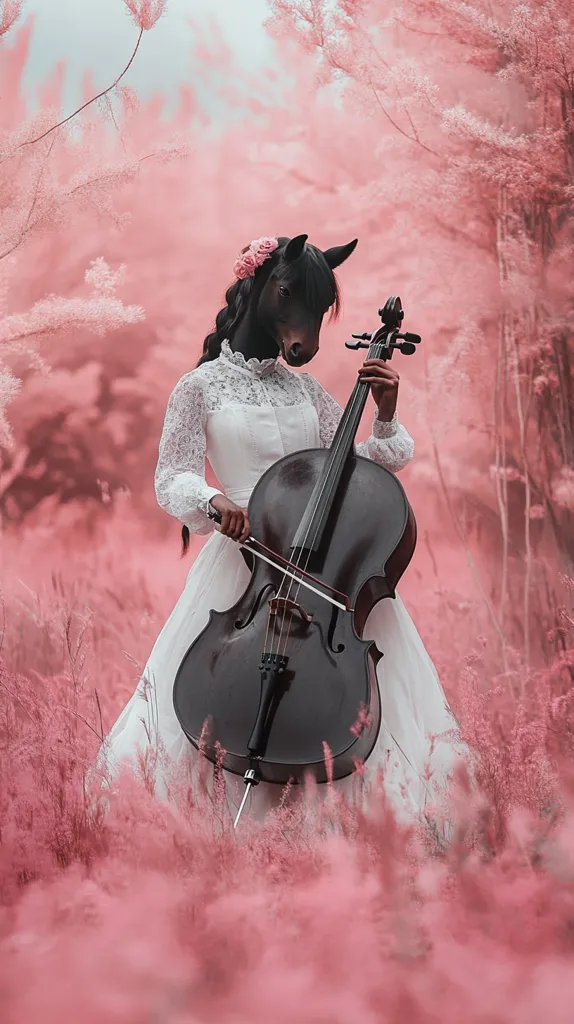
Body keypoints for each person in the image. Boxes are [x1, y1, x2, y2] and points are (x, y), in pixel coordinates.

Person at [100, 234, 465, 827]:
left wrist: (387, 412)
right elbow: (171, 478)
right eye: (302, 305)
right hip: (246, 563)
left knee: (341, 689)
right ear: (265, 288)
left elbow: (364, 465)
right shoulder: (199, 388)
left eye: (321, 314)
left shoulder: (308, 393)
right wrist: (214, 501)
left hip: (324, 570)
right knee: (226, 690)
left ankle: (349, 823)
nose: (311, 330)